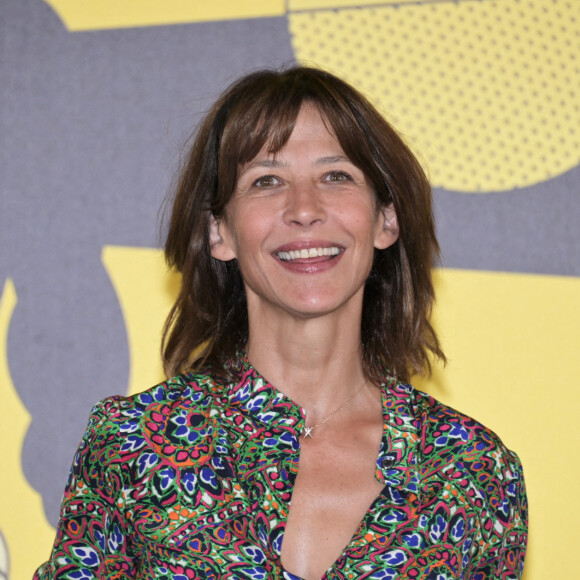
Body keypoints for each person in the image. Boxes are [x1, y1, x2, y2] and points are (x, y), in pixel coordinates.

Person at [35, 66, 528, 579]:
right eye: (266, 181)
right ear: (219, 232)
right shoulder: (131, 444)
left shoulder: (473, 474)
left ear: (386, 219)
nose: (304, 209)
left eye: (336, 176)